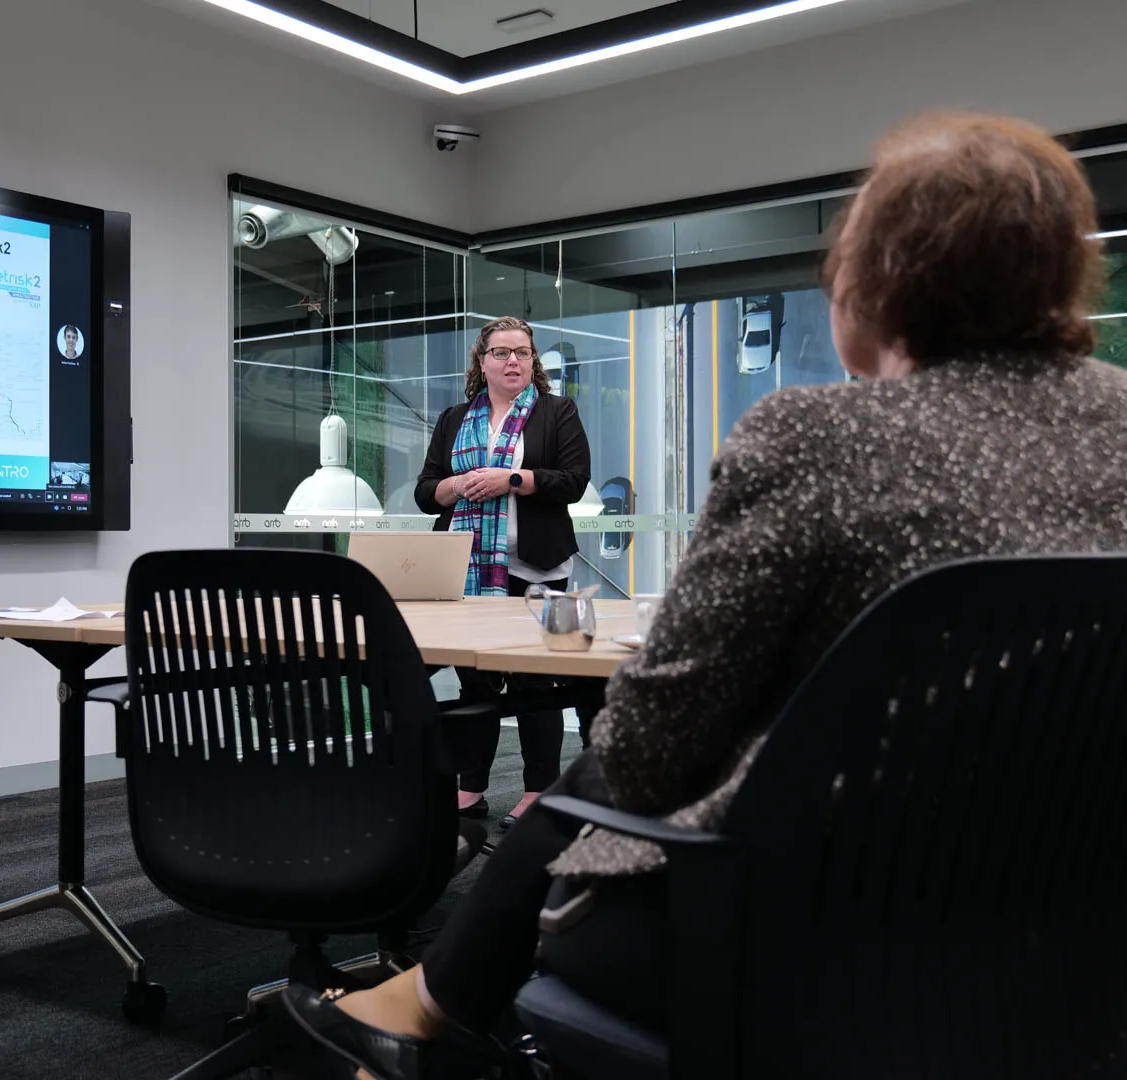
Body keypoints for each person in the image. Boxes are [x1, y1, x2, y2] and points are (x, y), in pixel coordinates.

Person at [285, 113, 1127, 1078]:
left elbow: (646, 751)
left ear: (874, 279)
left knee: (617, 757)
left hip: (804, 921)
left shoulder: (817, 437)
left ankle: (431, 1003)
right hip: (1071, 928)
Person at [414, 316, 593, 827]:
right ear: (483, 362)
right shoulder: (454, 418)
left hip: (536, 568)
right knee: (477, 684)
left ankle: (538, 788)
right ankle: (470, 787)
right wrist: (459, 486)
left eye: (522, 353)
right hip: (466, 571)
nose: (513, 361)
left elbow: (574, 481)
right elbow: (427, 491)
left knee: (537, 685)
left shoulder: (557, 412)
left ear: (533, 362)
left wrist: (509, 479)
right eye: (501, 353)